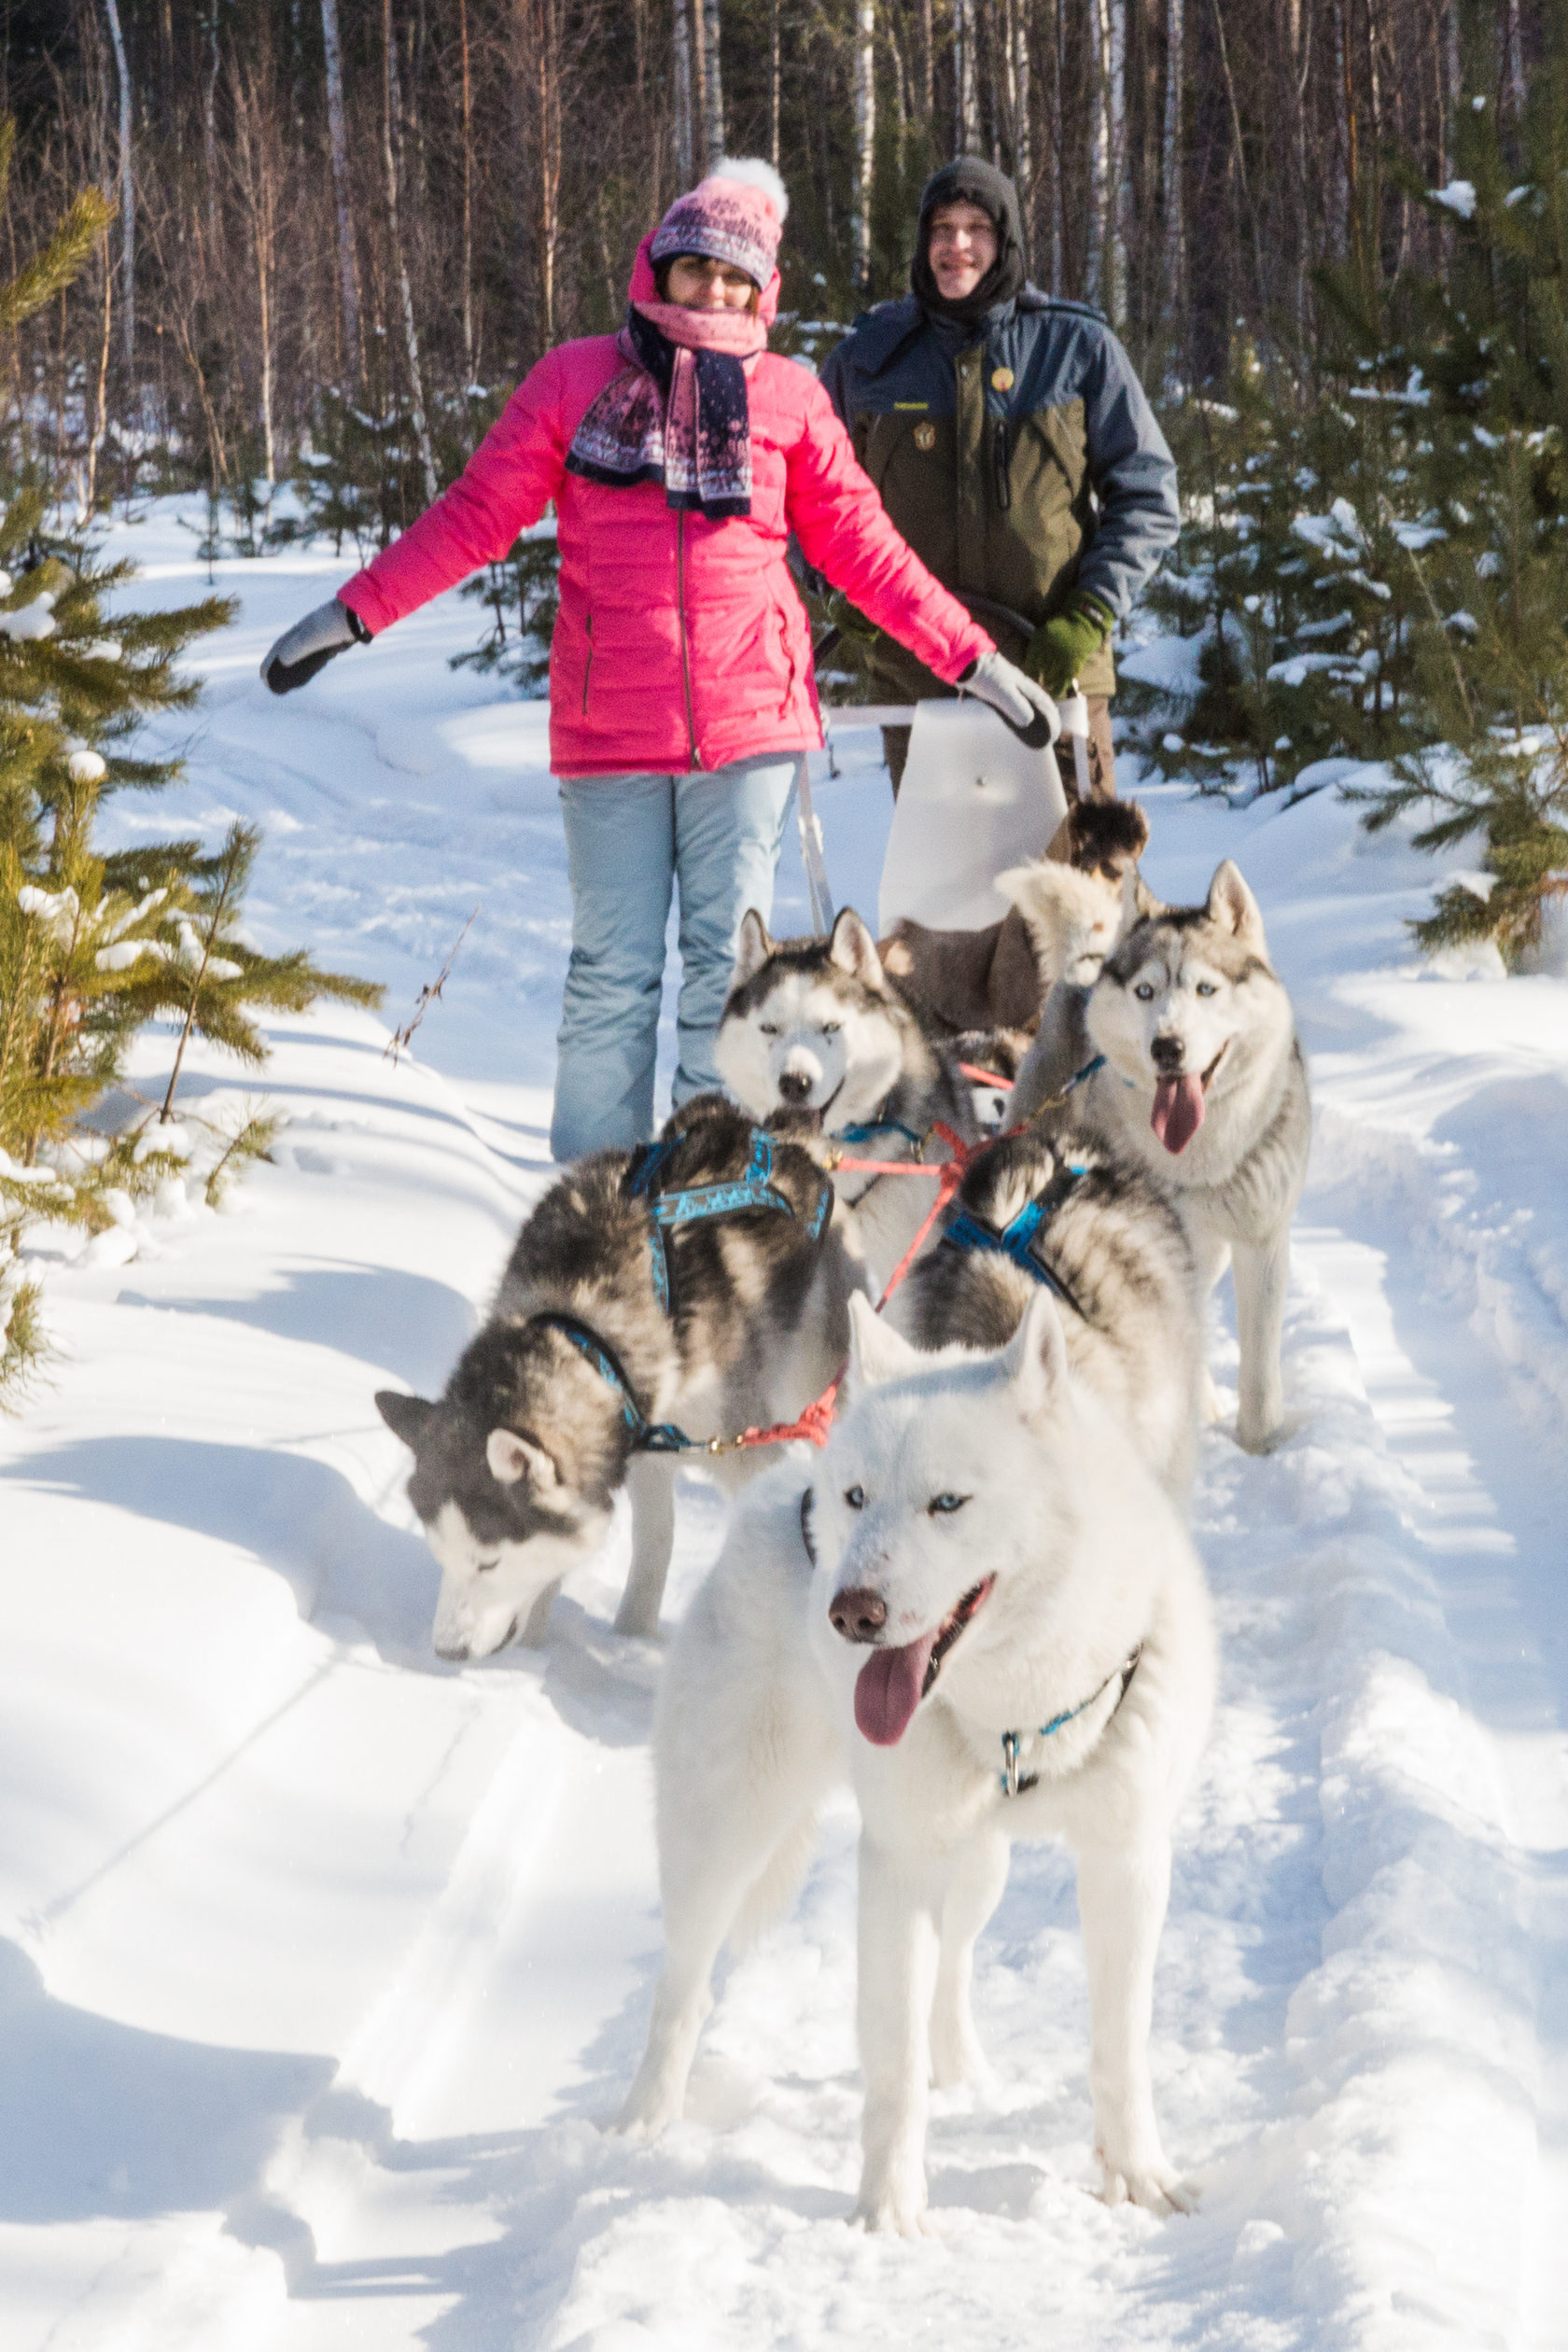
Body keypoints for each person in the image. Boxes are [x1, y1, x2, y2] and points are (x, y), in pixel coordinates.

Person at [260, 161, 1053, 1162]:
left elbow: (867, 553)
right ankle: (594, 1192)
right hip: (610, 732)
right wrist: (351, 614)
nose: (714, 294)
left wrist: (974, 661)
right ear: (660, 269)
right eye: (697, 271)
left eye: (737, 279)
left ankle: (700, 1178)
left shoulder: (788, 398)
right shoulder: (575, 381)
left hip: (751, 727)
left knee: (729, 976)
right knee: (611, 972)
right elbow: (473, 518)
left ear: (763, 291)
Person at [820, 158, 1179, 807]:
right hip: (918, 683)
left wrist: (1088, 616)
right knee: (944, 896)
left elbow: (1148, 494)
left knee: (1080, 893)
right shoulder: (867, 361)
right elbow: (807, 500)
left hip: (1056, 674)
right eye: (942, 227)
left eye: (977, 227)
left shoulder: (1076, 348)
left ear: (1006, 239)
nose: (957, 245)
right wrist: (837, 592)